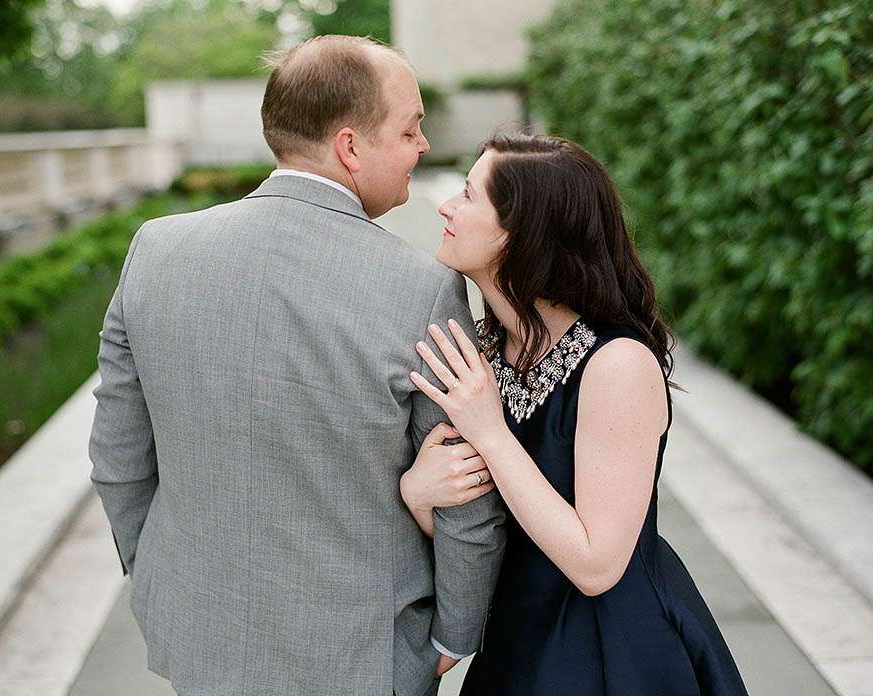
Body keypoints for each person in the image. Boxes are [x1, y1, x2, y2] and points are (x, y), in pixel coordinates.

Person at [88, 35, 506, 696]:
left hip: (198, 645)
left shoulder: (154, 251)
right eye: (409, 128)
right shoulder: (421, 289)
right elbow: (466, 485)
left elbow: (118, 459)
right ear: (349, 147)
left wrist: (160, 584)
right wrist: (454, 637)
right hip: (366, 660)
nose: (422, 146)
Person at [400, 133, 748, 695]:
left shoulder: (618, 365)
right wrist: (418, 495)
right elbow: (489, 533)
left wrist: (491, 433)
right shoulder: (489, 352)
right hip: (515, 646)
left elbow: (596, 565)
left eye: (467, 196)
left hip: (612, 654)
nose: (446, 206)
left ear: (521, 233)